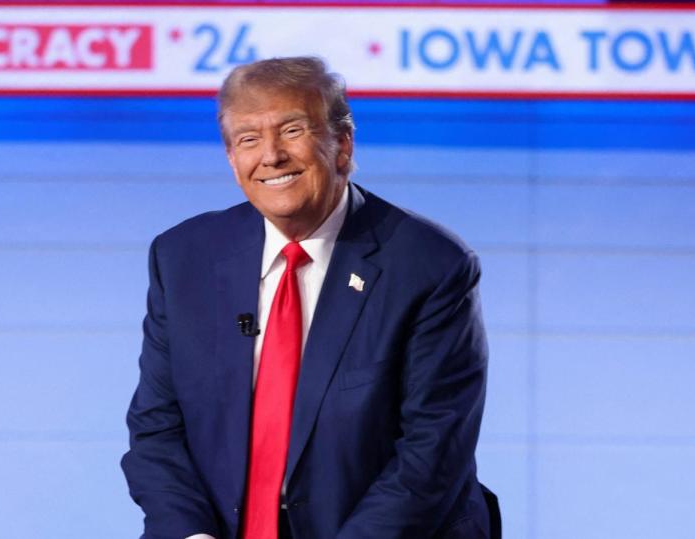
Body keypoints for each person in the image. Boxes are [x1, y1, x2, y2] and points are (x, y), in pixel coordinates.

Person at [121, 56, 497, 539]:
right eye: (248, 139)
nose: (271, 156)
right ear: (232, 161)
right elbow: (157, 428)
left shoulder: (430, 265)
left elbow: (432, 452)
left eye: (292, 130)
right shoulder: (183, 257)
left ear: (342, 144)